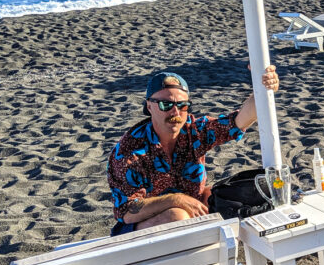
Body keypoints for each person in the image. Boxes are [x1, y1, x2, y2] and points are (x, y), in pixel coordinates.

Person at [107, 66, 280, 235]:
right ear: (149, 106)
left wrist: (262, 88)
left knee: (217, 196)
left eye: (182, 105)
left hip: (189, 216)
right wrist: (176, 200)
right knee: (177, 215)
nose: (175, 111)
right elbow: (128, 212)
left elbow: (238, 122)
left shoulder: (194, 131)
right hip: (137, 230)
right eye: (165, 104)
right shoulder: (129, 150)